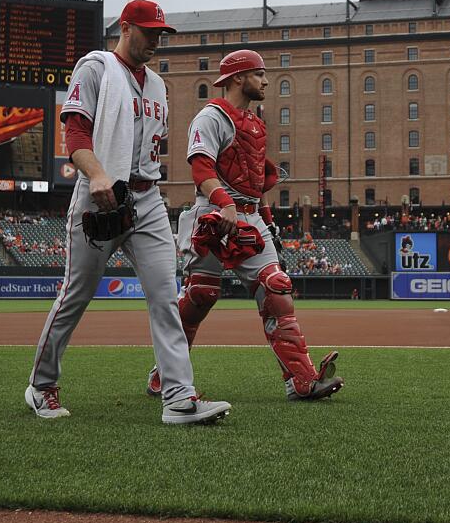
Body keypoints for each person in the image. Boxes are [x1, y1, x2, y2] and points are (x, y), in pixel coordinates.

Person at [25, 0, 230, 425]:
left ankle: (178, 399)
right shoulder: (96, 67)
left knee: (164, 297)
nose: (156, 39)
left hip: (148, 199)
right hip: (98, 193)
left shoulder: (158, 85)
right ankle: (41, 386)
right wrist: (98, 174)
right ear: (125, 27)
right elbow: (75, 130)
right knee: (76, 295)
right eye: (150, 31)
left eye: (161, 33)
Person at [147, 49, 344, 402]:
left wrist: (266, 219)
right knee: (200, 296)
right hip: (214, 214)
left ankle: (301, 380)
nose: (266, 80)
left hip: (249, 216)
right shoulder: (210, 117)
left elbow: (254, 181)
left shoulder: (255, 122)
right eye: (259, 74)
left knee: (277, 288)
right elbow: (201, 168)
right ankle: (164, 374)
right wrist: (225, 205)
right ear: (239, 78)